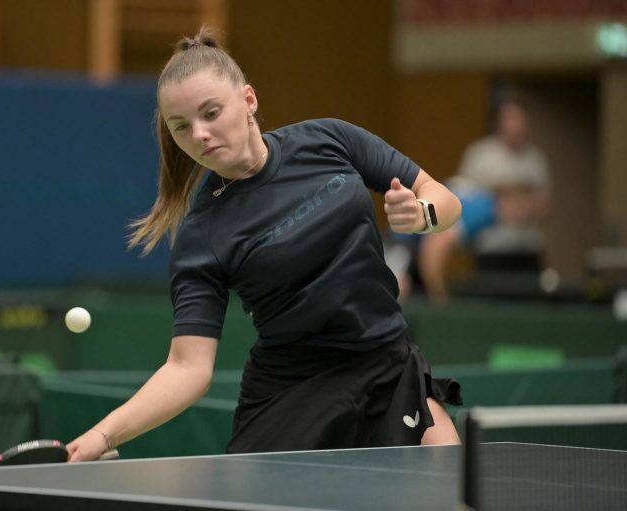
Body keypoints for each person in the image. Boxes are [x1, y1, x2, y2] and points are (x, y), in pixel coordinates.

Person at [67, 28, 463, 461]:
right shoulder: (203, 234)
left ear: (249, 100)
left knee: (452, 481)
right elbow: (187, 367)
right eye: (181, 127)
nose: (199, 134)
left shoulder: (329, 140)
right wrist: (104, 435)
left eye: (211, 113)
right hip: (294, 394)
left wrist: (422, 215)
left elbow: (443, 198)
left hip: (387, 365)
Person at [416, 99, 551, 301]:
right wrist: (440, 299)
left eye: (520, 119)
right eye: (510, 119)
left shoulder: (535, 159)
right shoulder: (475, 206)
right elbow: (435, 246)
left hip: (526, 253)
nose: (515, 125)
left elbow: (544, 204)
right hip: (490, 254)